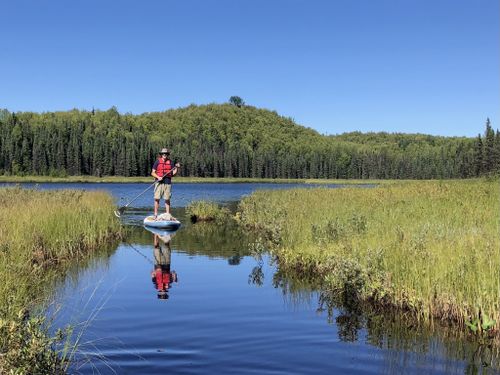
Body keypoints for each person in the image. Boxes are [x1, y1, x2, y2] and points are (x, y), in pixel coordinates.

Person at [151, 148, 180, 220]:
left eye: (166, 154)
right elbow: (152, 173)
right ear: (161, 154)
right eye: (163, 154)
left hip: (167, 182)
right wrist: (158, 177)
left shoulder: (171, 162)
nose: (164, 155)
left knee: (167, 199)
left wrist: (176, 168)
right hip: (159, 182)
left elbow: (173, 174)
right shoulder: (157, 162)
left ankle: (168, 214)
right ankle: (155, 215)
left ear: (167, 155)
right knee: (157, 198)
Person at [151, 233, 178, 300]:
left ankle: (155, 233)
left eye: (161, 292)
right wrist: (175, 277)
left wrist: (156, 271)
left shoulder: (155, 283)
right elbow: (174, 272)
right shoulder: (170, 283)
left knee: (156, 247)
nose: (163, 291)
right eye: (164, 292)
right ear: (166, 292)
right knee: (167, 247)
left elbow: (152, 273)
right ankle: (167, 233)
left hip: (158, 265)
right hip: (167, 264)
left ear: (159, 291)